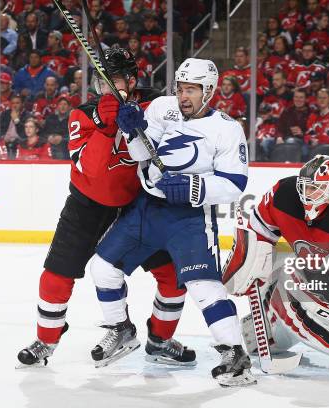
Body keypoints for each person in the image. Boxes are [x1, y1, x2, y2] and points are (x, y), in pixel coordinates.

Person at [17, 47, 194, 368]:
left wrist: (144, 126)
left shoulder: (157, 105)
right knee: (55, 276)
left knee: (172, 275)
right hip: (87, 205)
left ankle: (160, 339)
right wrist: (106, 126)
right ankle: (47, 339)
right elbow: (92, 171)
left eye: (115, 82)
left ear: (132, 80)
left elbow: (181, 147)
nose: (107, 89)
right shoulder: (82, 114)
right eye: (102, 83)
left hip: (141, 204)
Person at [86, 58, 255, 387]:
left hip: (189, 219)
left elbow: (235, 183)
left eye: (191, 89)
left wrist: (195, 187)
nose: (183, 96)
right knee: (103, 269)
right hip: (145, 209)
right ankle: (121, 331)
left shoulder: (227, 128)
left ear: (208, 91)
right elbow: (140, 153)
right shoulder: (163, 108)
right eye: (180, 88)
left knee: (202, 286)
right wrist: (131, 127)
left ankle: (235, 354)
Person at [223, 155, 329, 375]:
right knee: (258, 336)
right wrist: (249, 266)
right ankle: (275, 332)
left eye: (316, 188)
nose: (308, 195)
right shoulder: (284, 194)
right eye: (306, 187)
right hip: (313, 273)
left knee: (290, 290)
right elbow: (258, 230)